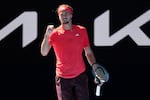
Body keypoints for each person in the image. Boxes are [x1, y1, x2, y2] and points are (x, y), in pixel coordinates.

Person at [40, 4, 108, 100]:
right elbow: (44, 52)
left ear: (71, 15)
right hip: (62, 78)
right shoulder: (53, 34)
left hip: (80, 76)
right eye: (61, 14)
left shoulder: (82, 30)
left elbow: (88, 52)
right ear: (59, 16)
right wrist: (47, 36)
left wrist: (95, 68)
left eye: (66, 13)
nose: (64, 16)